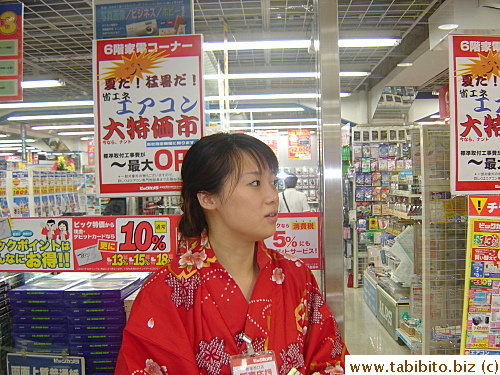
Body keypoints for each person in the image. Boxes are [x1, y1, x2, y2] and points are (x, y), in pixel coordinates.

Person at [115, 133, 347, 375]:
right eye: (255, 183)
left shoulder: (296, 276)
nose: (272, 197)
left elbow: (331, 360)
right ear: (207, 198)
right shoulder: (165, 291)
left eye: (273, 183)